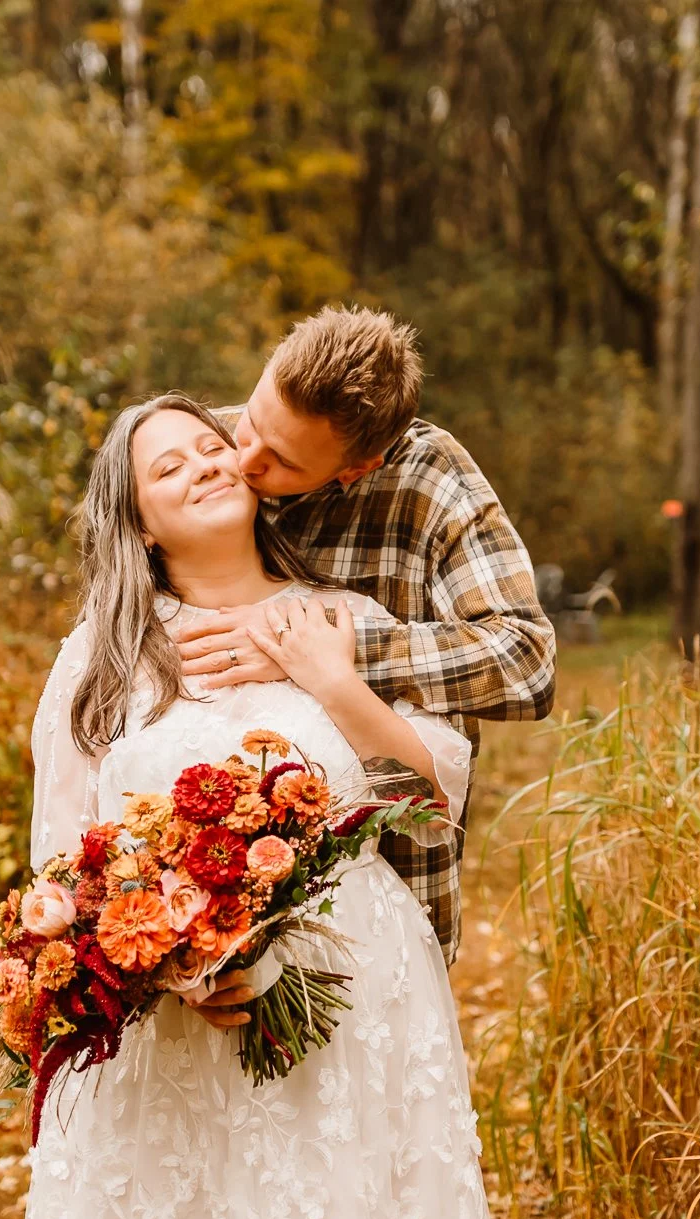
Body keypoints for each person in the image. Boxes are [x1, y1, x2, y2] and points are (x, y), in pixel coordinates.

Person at [8, 394, 517, 1219]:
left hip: (356, 999)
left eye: (211, 445)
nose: (201, 463)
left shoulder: (350, 618)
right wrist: (173, 967)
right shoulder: (105, 658)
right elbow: (65, 869)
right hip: (176, 1028)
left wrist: (327, 675)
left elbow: (430, 798)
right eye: (167, 467)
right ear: (138, 524)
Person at [172, 306, 556, 963]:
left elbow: (527, 659)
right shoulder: (206, 450)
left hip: (383, 876)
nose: (246, 458)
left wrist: (321, 650)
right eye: (254, 419)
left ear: (357, 466)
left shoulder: (428, 479)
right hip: (204, 882)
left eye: (285, 461)